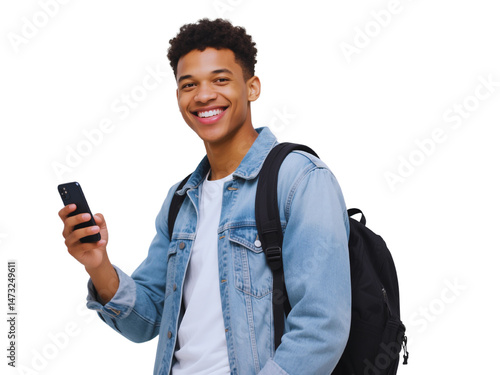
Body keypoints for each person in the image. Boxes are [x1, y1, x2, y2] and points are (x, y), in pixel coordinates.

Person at [58, 18, 351, 375]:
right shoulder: (181, 200)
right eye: (189, 85)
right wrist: (97, 264)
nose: (203, 95)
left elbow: (322, 325)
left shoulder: (300, 179)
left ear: (252, 87)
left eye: (220, 80)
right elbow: (145, 322)